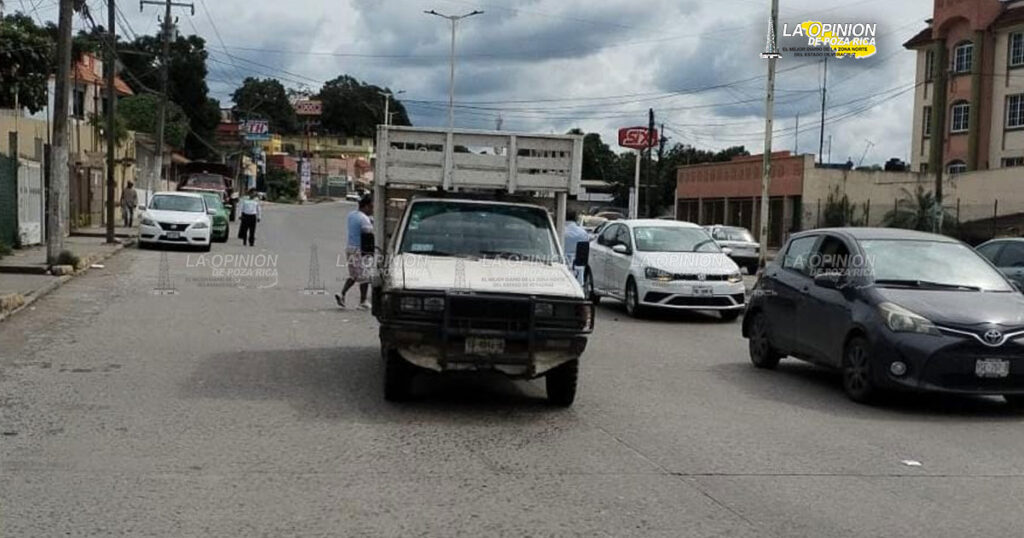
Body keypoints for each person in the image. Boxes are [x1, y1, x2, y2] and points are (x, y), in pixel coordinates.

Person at [336, 195, 374, 310]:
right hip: (360, 250)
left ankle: (342, 294)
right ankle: (363, 301)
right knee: (365, 276)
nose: (372, 210)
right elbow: (369, 233)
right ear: (366, 206)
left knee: (354, 274)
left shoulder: (351, 215)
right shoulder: (364, 219)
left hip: (350, 248)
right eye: (371, 207)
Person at [564, 209, 590, 286]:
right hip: (577, 267)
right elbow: (585, 253)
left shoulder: (558, 230)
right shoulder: (582, 233)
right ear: (575, 218)